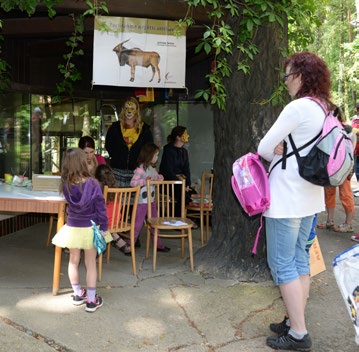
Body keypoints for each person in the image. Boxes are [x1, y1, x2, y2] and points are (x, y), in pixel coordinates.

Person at [257, 52, 331, 351]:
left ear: (300, 75)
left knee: (282, 264)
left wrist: (277, 149)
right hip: (311, 198)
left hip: (287, 199)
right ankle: (293, 319)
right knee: (300, 260)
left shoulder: (298, 107)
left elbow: (263, 147)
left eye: (287, 75)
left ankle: (298, 333)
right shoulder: (324, 107)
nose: (285, 81)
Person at [51, 148, 112, 313]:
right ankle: (91, 300)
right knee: (91, 263)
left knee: (73, 261)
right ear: (82, 162)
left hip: (72, 228)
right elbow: (100, 209)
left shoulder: (65, 185)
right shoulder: (93, 183)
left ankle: (78, 294)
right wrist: (104, 227)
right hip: (90, 227)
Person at [317, 106, 356, 233]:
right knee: (329, 192)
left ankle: (348, 223)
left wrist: (351, 168)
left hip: (344, 167)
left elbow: (352, 149)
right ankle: (330, 220)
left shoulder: (348, 129)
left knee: (345, 194)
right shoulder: (328, 128)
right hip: (331, 166)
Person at [130, 143, 170, 252]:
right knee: (137, 224)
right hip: (141, 202)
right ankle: (130, 245)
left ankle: (158, 244)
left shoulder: (152, 169)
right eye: (156, 155)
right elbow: (133, 183)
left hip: (151, 201)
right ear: (149, 155)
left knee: (155, 222)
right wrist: (144, 181)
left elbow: (155, 182)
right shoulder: (140, 169)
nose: (157, 157)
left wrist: (158, 179)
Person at [105, 97, 153, 187]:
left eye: (132, 108)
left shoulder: (145, 129)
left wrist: (141, 164)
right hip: (117, 172)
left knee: (133, 200)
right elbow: (108, 145)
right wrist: (117, 156)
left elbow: (149, 149)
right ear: (123, 110)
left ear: (137, 110)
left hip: (137, 173)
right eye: (127, 108)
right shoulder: (115, 127)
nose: (129, 111)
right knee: (117, 199)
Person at [159, 126, 198, 227]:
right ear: (178, 137)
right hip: (169, 183)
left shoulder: (184, 151)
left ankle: (189, 218)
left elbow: (186, 169)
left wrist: (188, 184)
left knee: (193, 194)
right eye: (185, 134)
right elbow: (168, 171)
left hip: (182, 182)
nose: (187, 136)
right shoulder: (168, 150)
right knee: (182, 193)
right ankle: (178, 220)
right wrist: (180, 183)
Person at [95, 164, 131, 256]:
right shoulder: (117, 189)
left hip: (103, 223)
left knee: (86, 221)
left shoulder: (97, 189)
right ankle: (115, 238)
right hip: (116, 221)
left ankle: (95, 248)